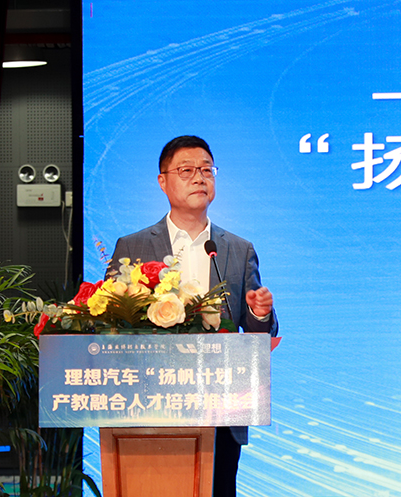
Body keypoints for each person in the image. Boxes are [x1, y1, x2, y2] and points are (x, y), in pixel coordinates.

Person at [108, 135, 278, 497]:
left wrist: (258, 311)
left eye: (206, 170)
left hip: (220, 407)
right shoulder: (132, 246)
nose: (199, 177)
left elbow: (258, 331)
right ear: (163, 181)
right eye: (186, 170)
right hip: (149, 405)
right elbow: (111, 321)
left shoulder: (238, 249)